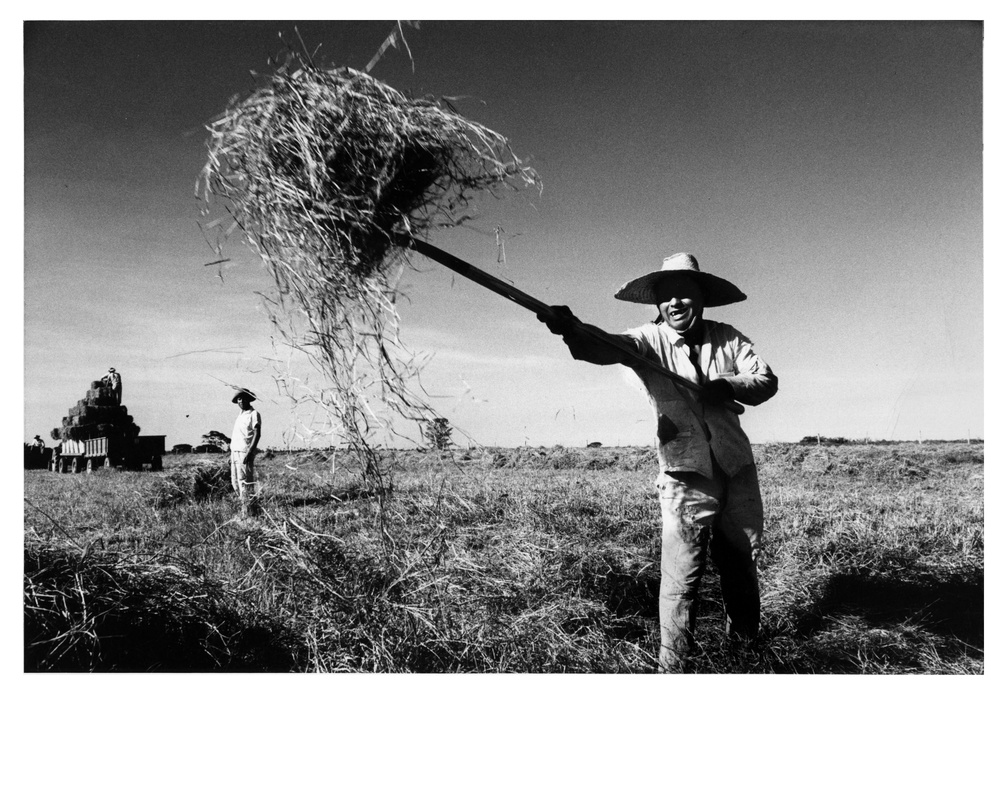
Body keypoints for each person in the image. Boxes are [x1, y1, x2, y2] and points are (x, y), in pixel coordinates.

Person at [538, 252, 778, 672]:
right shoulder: (647, 342)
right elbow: (606, 345)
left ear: (701, 298)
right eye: (667, 297)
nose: (676, 304)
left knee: (741, 566)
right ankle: (674, 668)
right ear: (658, 304)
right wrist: (571, 329)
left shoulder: (729, 338)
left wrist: (726, 386)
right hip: (685, 473)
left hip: (736, 469)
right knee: (682, 578)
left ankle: (745, 655)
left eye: (685, 294)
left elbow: (765, 381)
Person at [230, 389, 262, 515]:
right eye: (239, 399)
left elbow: (257, 434)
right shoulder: (240, 415)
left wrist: (249, 452)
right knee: (235, 482)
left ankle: (249, 512)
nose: (241, 401)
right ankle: (246, 507)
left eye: (244, 398)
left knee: (244, 482)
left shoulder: (254, 414)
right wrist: (231, 454)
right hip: (234, 452)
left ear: (249, 399)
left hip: (245, 452)